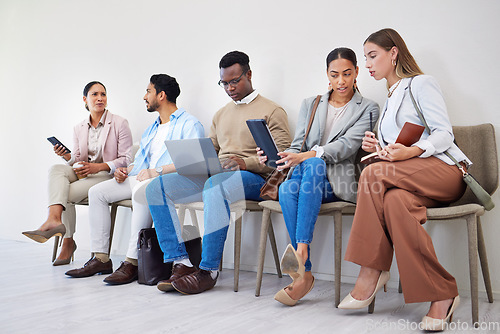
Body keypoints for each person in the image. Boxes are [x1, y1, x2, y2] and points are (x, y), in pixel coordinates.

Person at [338, 28, 470, 331]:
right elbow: (399, 153)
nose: (368, 64)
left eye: (373, 56)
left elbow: (443, 134)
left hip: (447, 171)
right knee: (396, 202)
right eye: (366, 58)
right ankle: (442, 295)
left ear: (393, 53)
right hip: (413, 179)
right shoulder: (389, 99)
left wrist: (408, 150)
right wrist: (380, 149)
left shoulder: (420, 84)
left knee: (371, 173)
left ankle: (371, 269)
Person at [146, 51, 291, 294]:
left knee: (216, 186)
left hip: (255, 179)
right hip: (218, 174)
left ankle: (208, 270)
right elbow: (211, 150)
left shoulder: (272, 110)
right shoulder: (221, 113)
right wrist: (194, 160)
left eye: (235, 81)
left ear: (249, 75)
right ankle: (180, 263)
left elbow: (283, 158)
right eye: (224, 83)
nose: (230, 88)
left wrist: (245, 163)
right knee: (156, 188)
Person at [257, 48, 379, 306]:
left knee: (307, 170)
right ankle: (306, 269)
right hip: (305, 176)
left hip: (337, 180)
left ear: (357, 72)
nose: (341, 81)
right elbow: (297, 144)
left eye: (347, 74)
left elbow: (346, 146)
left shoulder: (368, 108)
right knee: (288, 189)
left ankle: (302, 258)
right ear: (327, 75)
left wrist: (309, 156)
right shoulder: (311, 104)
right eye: (335, 75)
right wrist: (276, 156)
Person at [65, 74, 205, 282]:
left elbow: (193, 163)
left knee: (143, 191)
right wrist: (125, 171)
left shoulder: (189, 124)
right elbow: (139, 164)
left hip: (172, 183)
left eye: (148, 91)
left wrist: (156, 172)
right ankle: (101, 258)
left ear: (161, 95)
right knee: (98, 192)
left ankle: (131, 261)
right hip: (144, 178)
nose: (144, 97)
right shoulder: (152, 129)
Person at [22, 82, 132, 265]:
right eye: (95, 94)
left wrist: (99, 167)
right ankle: (54, 219)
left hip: (107, 175)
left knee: (66, 194)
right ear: (85, 99)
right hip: (85, 173)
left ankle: (67, 241)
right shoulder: (79, 127)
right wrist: (67, 156)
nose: (100, 98)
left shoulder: (119, 123)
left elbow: (127, 159)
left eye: (103, 94)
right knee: (56, 169)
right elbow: (79, 159)